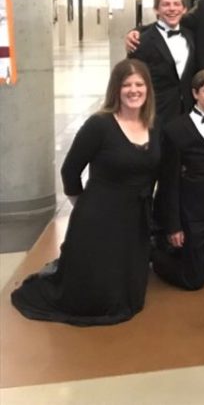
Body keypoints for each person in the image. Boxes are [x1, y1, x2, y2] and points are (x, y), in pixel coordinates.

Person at [11, 60, 161, 325]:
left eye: (139, 84)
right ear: (116, 89)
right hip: (100, 214)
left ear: (148, 89)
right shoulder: (99, 125)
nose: (133, 90)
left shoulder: (153, 125)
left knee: (129, 292)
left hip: (135, 215)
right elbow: (70, 170)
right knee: (93, 296)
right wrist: (83, 206)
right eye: (126, 85)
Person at [152, 69, 204, 290]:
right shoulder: (175, 129)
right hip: (194, 214)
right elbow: (168, 182)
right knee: (194, 281)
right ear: (195, 93)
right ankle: (155, 254)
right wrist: (173, 226)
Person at [128, 0, 195, 125]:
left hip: (188, 110)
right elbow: (134, 77)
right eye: (166, 4)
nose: (172, 8)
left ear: (184, 9)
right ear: (156, 10)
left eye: (177, 4)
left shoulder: (191, 35)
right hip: (156, 111)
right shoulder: (141, 41)